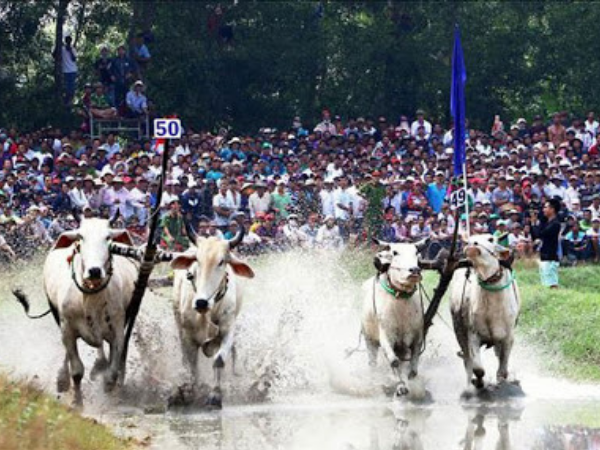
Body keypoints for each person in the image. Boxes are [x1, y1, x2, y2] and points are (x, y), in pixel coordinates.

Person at [532, 198, 562, 289]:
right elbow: (535, 235)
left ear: (552, 209)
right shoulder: (545, 222)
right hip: (544, 255)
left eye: (546, 207)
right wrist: (534, 224)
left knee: (552, 283)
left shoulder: (555, 224)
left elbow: (541, 234)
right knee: (545, 282)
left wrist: (534, 223)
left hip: (551, 256)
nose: (543, 210)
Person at [56, 35, 78, 106]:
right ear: (65, 41)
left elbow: (74, 59)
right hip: (65, 71)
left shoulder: (73, 49)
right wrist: (57, 46)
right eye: (67, 41)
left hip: (72, 70)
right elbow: (54, 55)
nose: (68, 42)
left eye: (69, 41)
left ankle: (70, 103)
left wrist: (70, 50)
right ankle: (66, 103)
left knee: (71, 88)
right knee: (67, 88)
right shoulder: (62, 49)